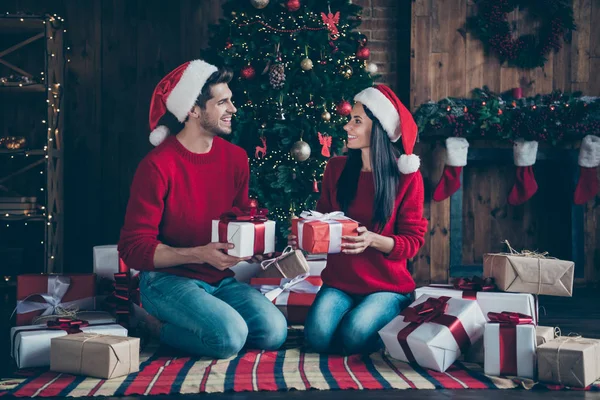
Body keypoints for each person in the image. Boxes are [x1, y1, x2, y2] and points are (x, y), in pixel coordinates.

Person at [118, 59, 287, 359]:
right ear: (193, 110)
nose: (233, 110)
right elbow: (132, 249)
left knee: (274, 332)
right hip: (165, 281)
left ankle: (203, 323)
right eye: (222, 102)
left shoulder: (235, 159)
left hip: (218, 281)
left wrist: (253, 246)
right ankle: (154, 326)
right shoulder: (158, 166)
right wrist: (198, 253)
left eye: (231, 101)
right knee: (229, 338)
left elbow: (236, 221)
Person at [289, 84, 428, 355]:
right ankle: (358, 318)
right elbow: (324, 220)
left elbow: (412, 242)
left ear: (378, 129)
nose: (347, 127)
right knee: (316, 337)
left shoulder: (406, 177)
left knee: (354, 335)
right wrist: (306, 235)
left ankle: (387, 316)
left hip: (387, 287)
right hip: (340, 283)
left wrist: (373, 240)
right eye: (349, 119)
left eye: (356, 121)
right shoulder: (336, 168)